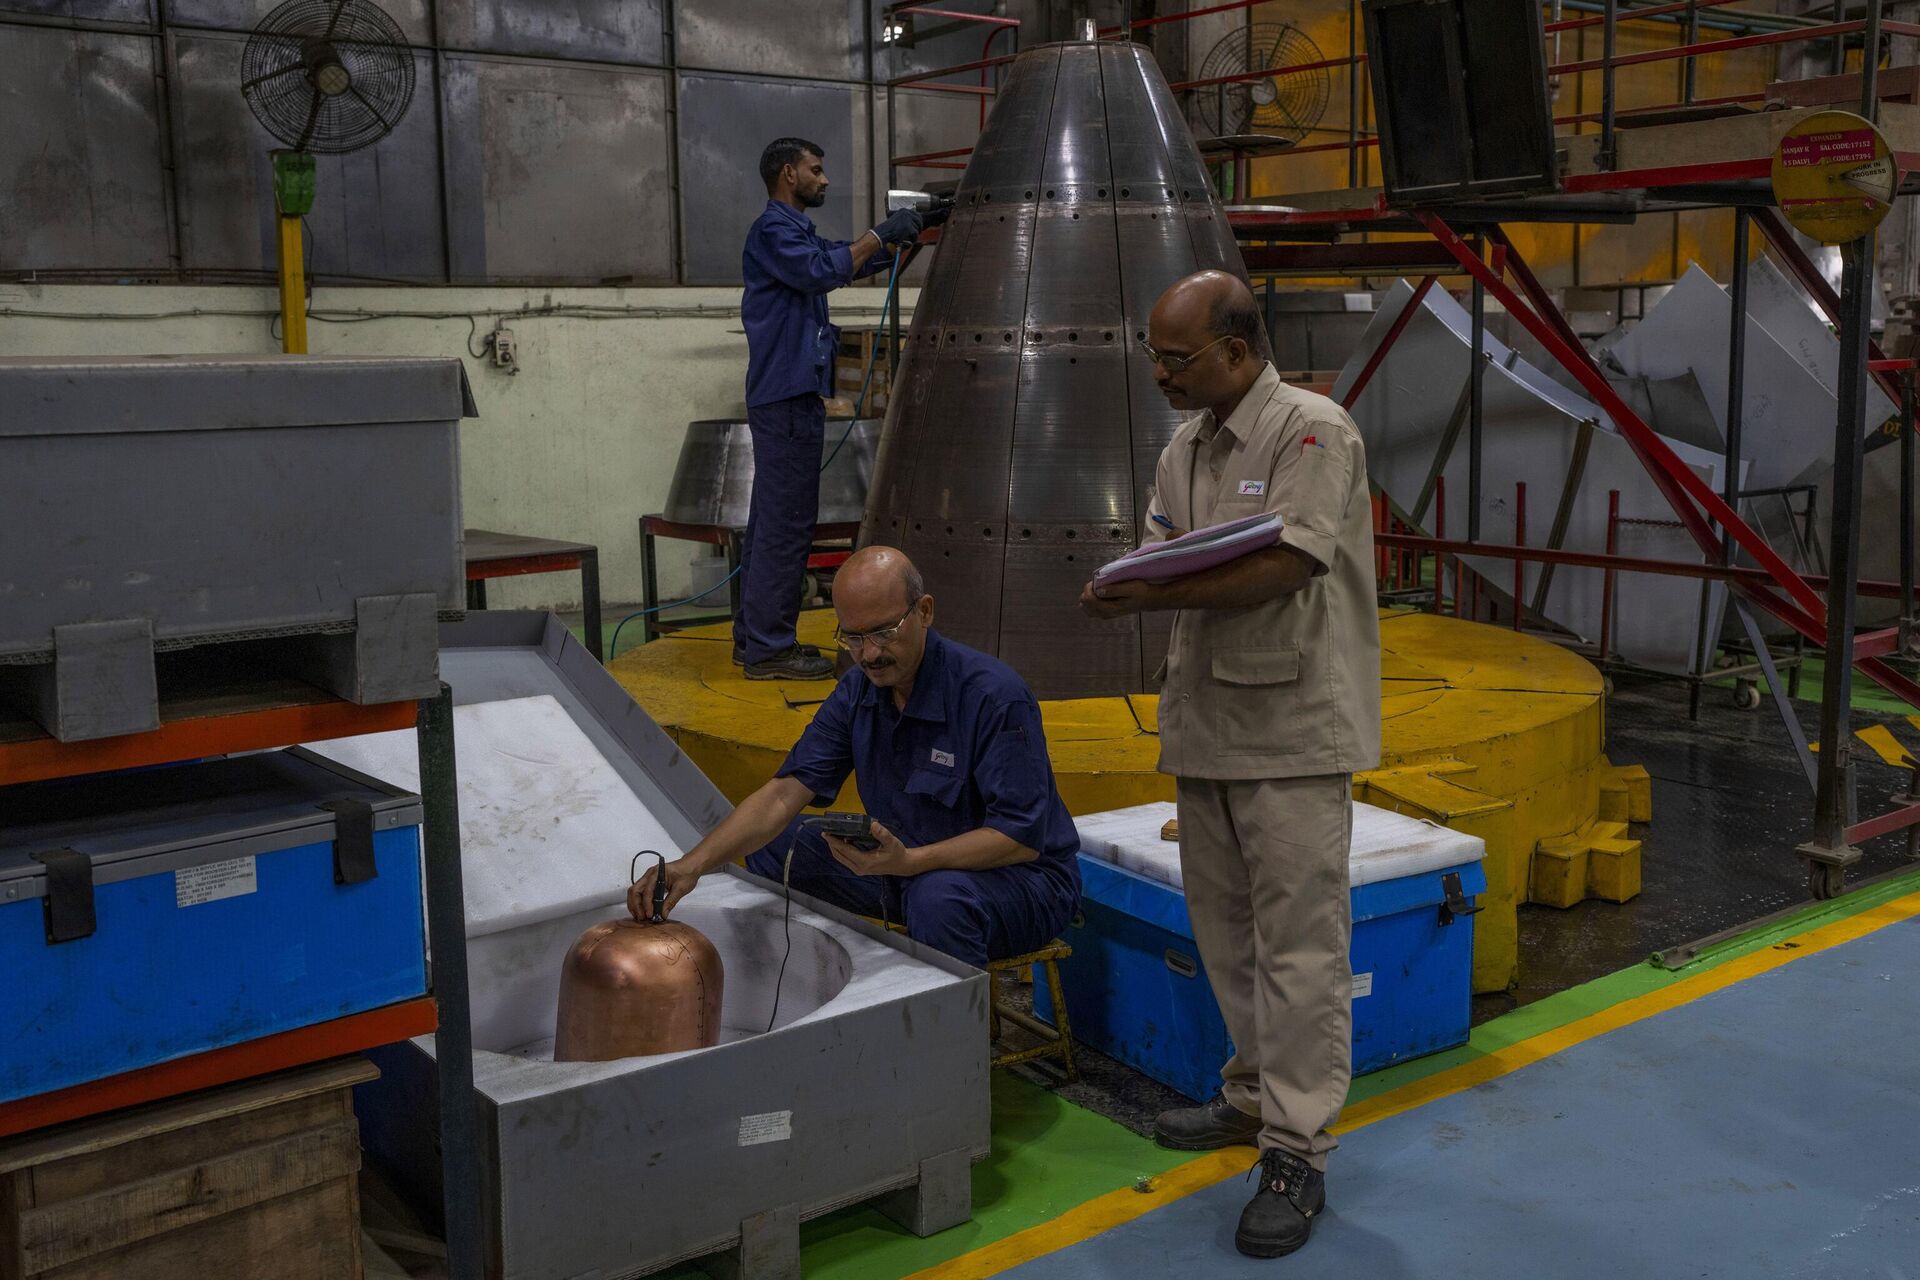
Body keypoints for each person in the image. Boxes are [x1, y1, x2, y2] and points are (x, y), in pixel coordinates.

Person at [1078, 270, 1381, 1260]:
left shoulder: (1311, 432)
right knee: (1228, 932)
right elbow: (1168, 547)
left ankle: (1297, 1149)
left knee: (1300, 947)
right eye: (1155, 356)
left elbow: (1290, 561)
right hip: (1206, 723)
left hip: (1293, 728)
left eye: (1179, 358)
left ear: (1240, 352)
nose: (1161, 374)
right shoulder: (1185, 449)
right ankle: (1252, 1094)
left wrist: (1154, 591)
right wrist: (1131, 577)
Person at [635, 546, 1081, 968]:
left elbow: (1018, 838)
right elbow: (782, 794)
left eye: (884, 632)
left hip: (1021, 882)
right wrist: (689, 866)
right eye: (853, 637)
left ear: (924, 612)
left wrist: (910, 863)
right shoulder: (858, 692)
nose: (869, 654)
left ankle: (956, 1039)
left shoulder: (993, 697)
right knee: (775, 843)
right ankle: (816, 982)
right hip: (905, 867)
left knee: (939, 900)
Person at [735, 137, 924, 681]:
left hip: (789, 393)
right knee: (787, 524)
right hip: (787, 395)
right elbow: (821, 271)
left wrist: (899, 241)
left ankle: (754, 641)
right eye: (816, 170)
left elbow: (837, 261)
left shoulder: (794, 234)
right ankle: (770, 649)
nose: (824, 179)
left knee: (774, 521)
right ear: (788, 174)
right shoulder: (773, 230)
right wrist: (879, 235)